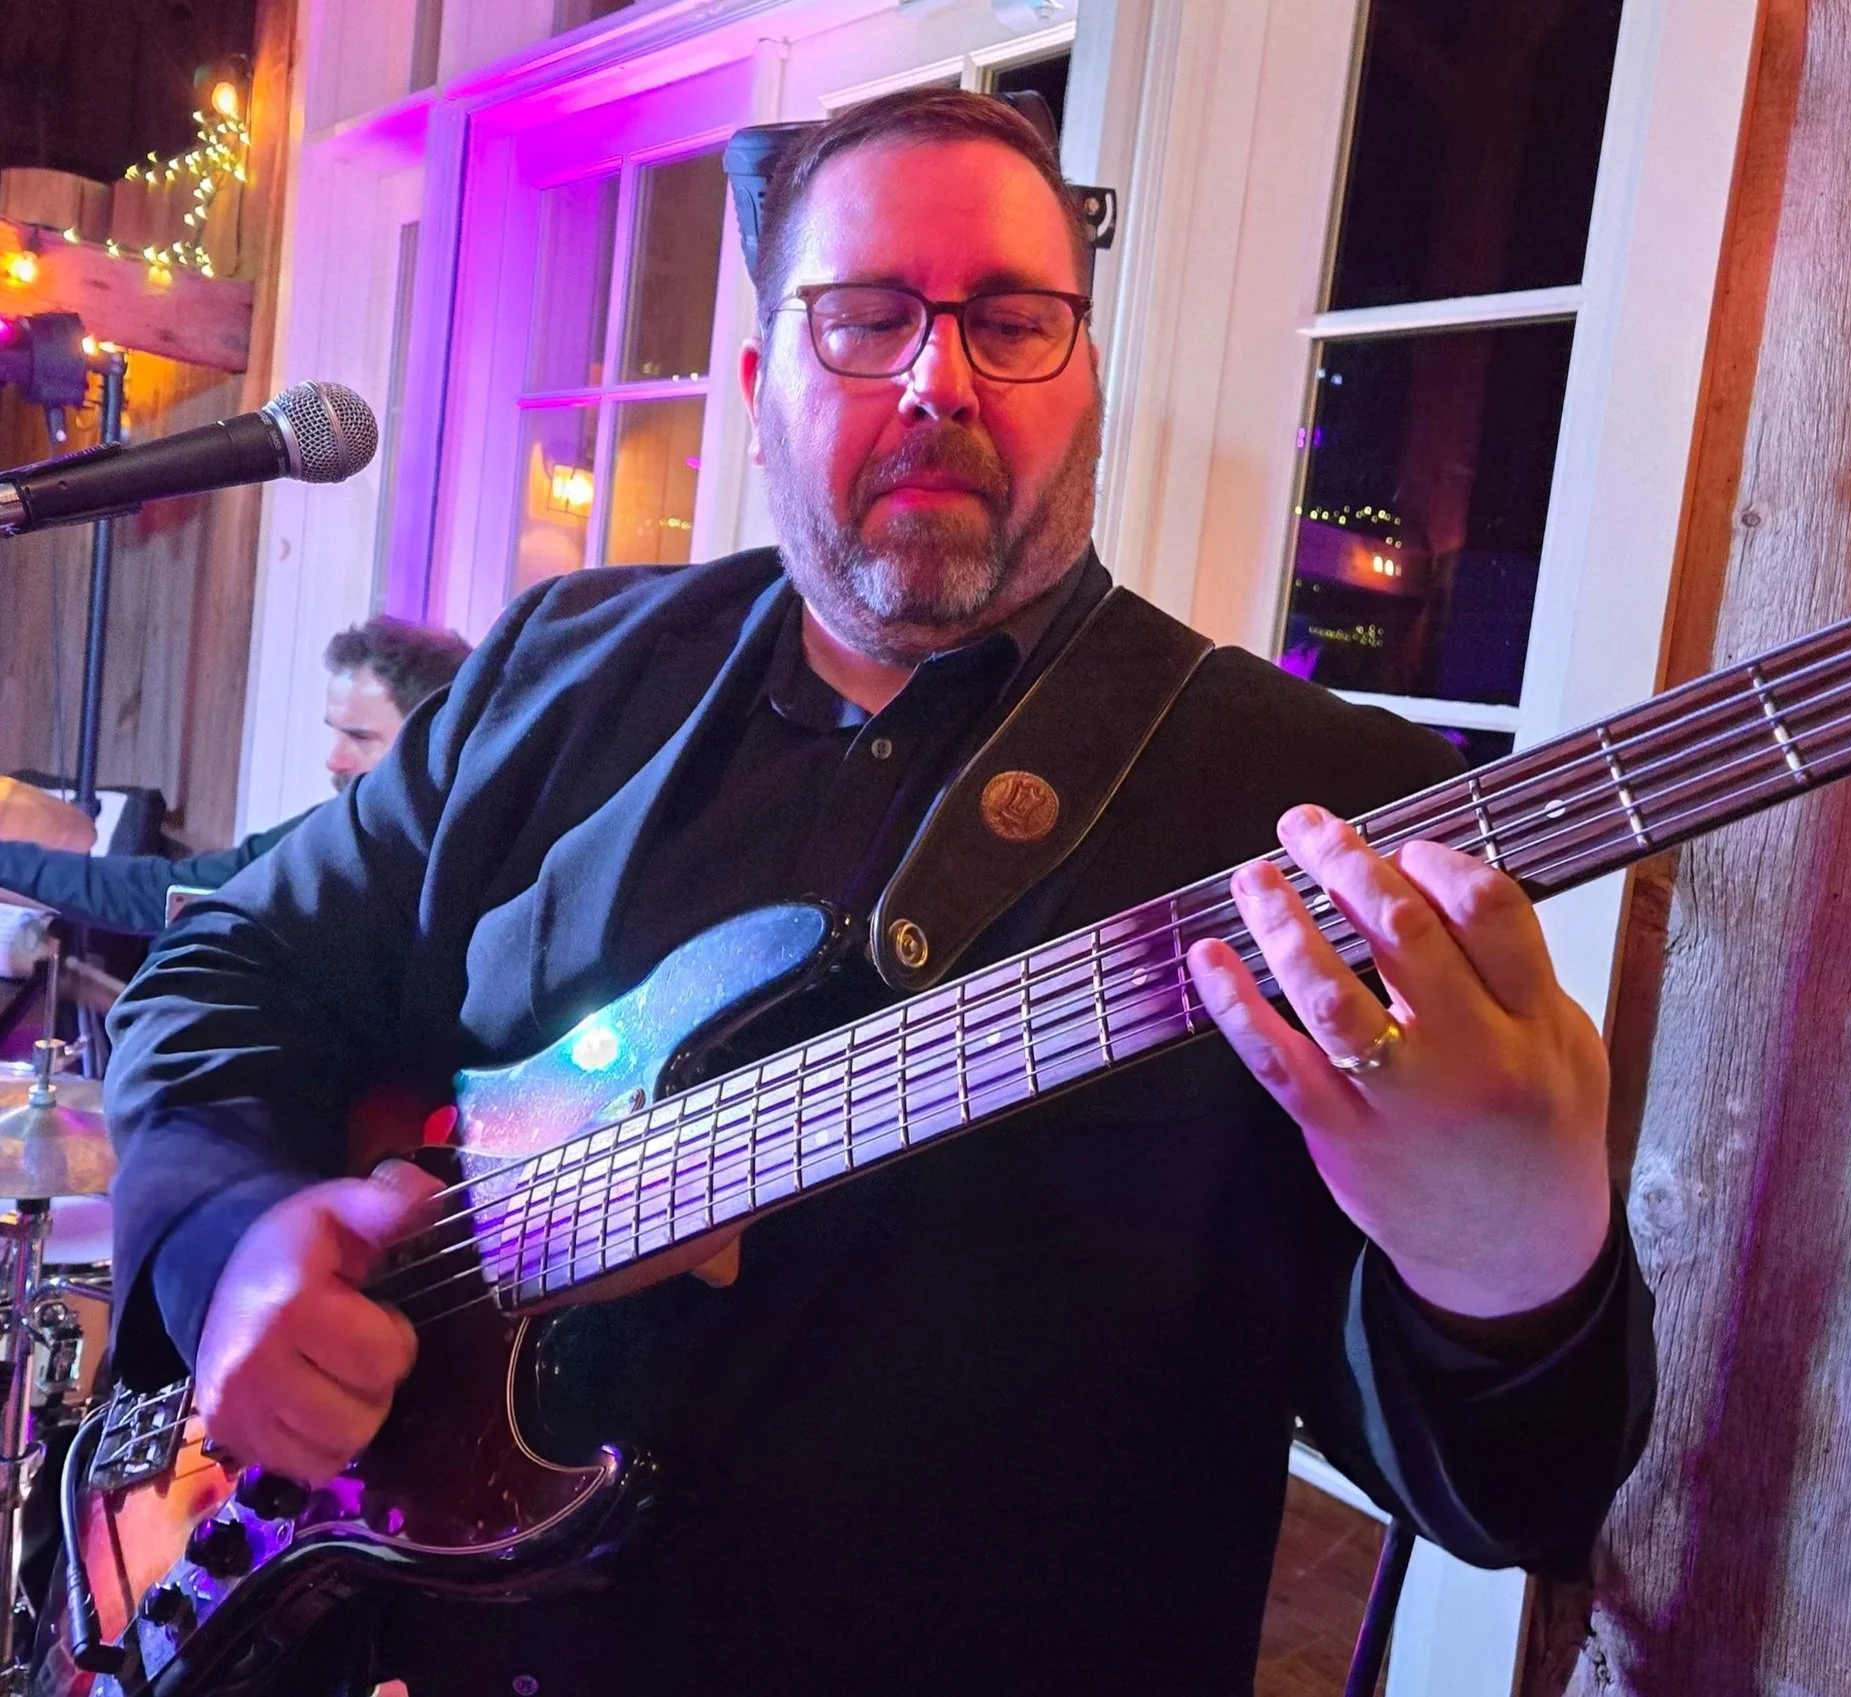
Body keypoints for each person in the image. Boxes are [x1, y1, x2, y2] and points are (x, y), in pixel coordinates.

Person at [102, 89, 1655, 1697]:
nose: (941, 377)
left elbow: (1518, 1493)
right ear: (767, 385)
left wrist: (1511, 1251)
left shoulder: (1318, 819)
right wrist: (232, 1241)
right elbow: (230, 965)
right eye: (866, 320)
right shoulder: (559, 671)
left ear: (1088, 381)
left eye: (1012, 319)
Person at [0, 617, 471, 936]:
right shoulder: (342, 831)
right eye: (336, 733)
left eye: (361, 738)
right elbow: (167, 894)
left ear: (437, 737)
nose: (335, 761)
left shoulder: (470, 852)